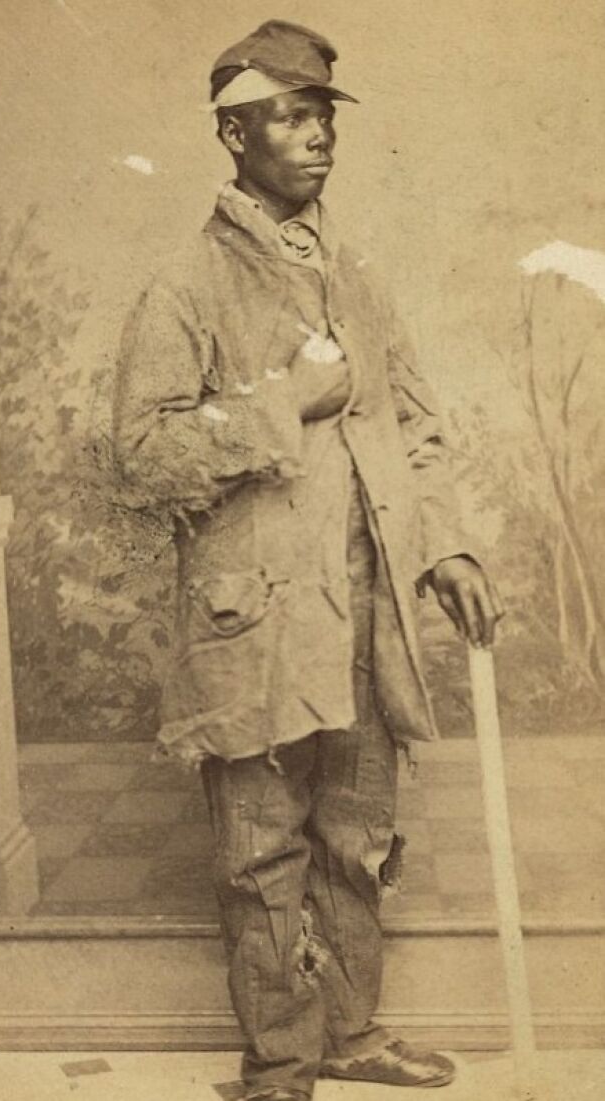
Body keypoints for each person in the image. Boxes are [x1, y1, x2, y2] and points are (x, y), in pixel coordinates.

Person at [113, 19, 503, 1101]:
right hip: (256, 627)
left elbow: (413, 428)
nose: (314, 134)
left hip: (366, 612)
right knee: (259, 853)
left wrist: (448, 546)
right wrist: (287, 401)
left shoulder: (356, 274)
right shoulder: (187, 282)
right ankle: (282, 1062)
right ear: (232, 136)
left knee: (357, 836)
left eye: (321, 112)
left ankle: (351, 1032)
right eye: (287, 115)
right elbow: (138, 456)